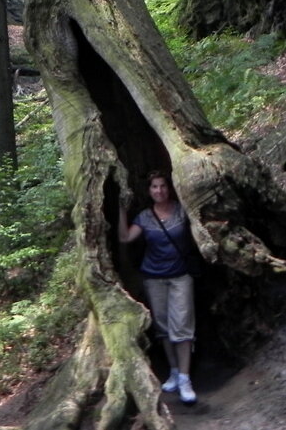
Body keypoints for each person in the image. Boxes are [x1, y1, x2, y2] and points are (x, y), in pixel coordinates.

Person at [118, 171, 198, 404]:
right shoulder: (145, 217)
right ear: (149, 191)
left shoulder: (182, 211)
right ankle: (173, 371)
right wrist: (121, 208)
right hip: (154, 278)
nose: (159, 191)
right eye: (154, 187)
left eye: (163, 186)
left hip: (181, 277)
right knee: (163, 327)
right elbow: (125, 238)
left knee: (182, 328)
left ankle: (185, 378)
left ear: (169, 188)